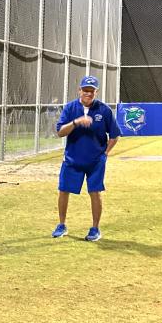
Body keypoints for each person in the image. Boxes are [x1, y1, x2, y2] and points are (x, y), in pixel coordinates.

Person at [52, 75, 120, 242]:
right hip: (72, 159)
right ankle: (62, 225)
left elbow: (115, 135)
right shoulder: (69, 108)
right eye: (85, 90)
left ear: (96, 92)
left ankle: (95, 228)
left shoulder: (104, 110)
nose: (88, 94)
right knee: (63, 191)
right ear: (79, 90)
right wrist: (76, 122)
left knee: (95, 192)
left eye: (91, 91)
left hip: (95, 161)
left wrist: (105, 153)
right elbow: (60, 132)